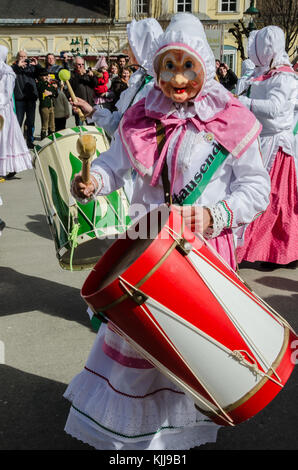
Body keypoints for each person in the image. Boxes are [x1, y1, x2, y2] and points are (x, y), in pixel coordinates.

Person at [64, 13, 270, 450]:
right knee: (139, 355)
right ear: (155, 68)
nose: (177, 78)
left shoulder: (232, 118)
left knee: (189, 356)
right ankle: (134, 447)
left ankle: (174, 446)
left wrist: (215, 215)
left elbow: (257, 190)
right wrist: (92, 181)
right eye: (167, 67)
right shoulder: (140, 115)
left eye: (187, 66)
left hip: (202, 256)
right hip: (146, 254)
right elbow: (111, 166)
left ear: (205, 65)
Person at [236, 26, 298, 267]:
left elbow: (275, 108)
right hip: (261, 141)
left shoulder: (283, 77)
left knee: (272, 200)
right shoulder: (266, 74)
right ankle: (272, 253)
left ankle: (278, 252)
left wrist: (243, 102)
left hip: (276, 147)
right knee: (267, 199)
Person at [0, 46, 32, 179]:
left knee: (6, 137)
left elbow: (5, 93)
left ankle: (10, 166)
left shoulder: (7, 71)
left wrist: (1, 104)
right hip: (3, 107)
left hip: (3, 109)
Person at [12, 50, 42, 149]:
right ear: (17, 58)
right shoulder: (14, 68)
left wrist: (37, 65)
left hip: (31, 99)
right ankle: (16, 142)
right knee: (18, 122)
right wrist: (17, 66)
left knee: (30, 122)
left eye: (25, 56)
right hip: (19, 99)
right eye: (21, 56)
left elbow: (43, 73)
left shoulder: (31, 68)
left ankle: (30, 141)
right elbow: (7, 73)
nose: (23, 58)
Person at [69, 56, 97, 126]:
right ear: (75, 65)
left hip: (89, 104)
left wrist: (92, 76)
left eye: (82, 64)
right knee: (79, 127)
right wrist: (80, 75)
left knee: (91, 126)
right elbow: (73, 86)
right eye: (79, 64)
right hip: (79, 106)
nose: (81, 66)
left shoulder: (87, 74)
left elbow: (95, 84)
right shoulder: (72, 75)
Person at [37, 69, 58, 139]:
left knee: (52, 123)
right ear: (41, 77)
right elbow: (41, 89)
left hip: (51, 106)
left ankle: (51, 136)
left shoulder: (49, 84)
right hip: (44, 106)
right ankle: (43, 137)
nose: (46, 77)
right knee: (45, 123)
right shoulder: (40, 83)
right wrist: (47, 81)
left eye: (46, 75)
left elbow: (55, 94)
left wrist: (52, 92)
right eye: (44, 76)